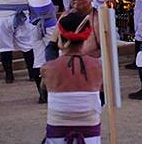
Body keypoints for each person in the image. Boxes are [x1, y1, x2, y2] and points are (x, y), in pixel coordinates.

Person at [41, 12, 103, 144]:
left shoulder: (48, 69)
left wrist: (53, 41)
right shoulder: (98, 67)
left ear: (60, 36)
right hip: (90, 136)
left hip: (57, 135)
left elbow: (45, 92)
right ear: (86, 37)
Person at [26, 0, 59, 102]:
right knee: (53, 55)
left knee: (38, 58)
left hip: (33, 22)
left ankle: (42, 95)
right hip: (48, 23)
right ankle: (53, 91)